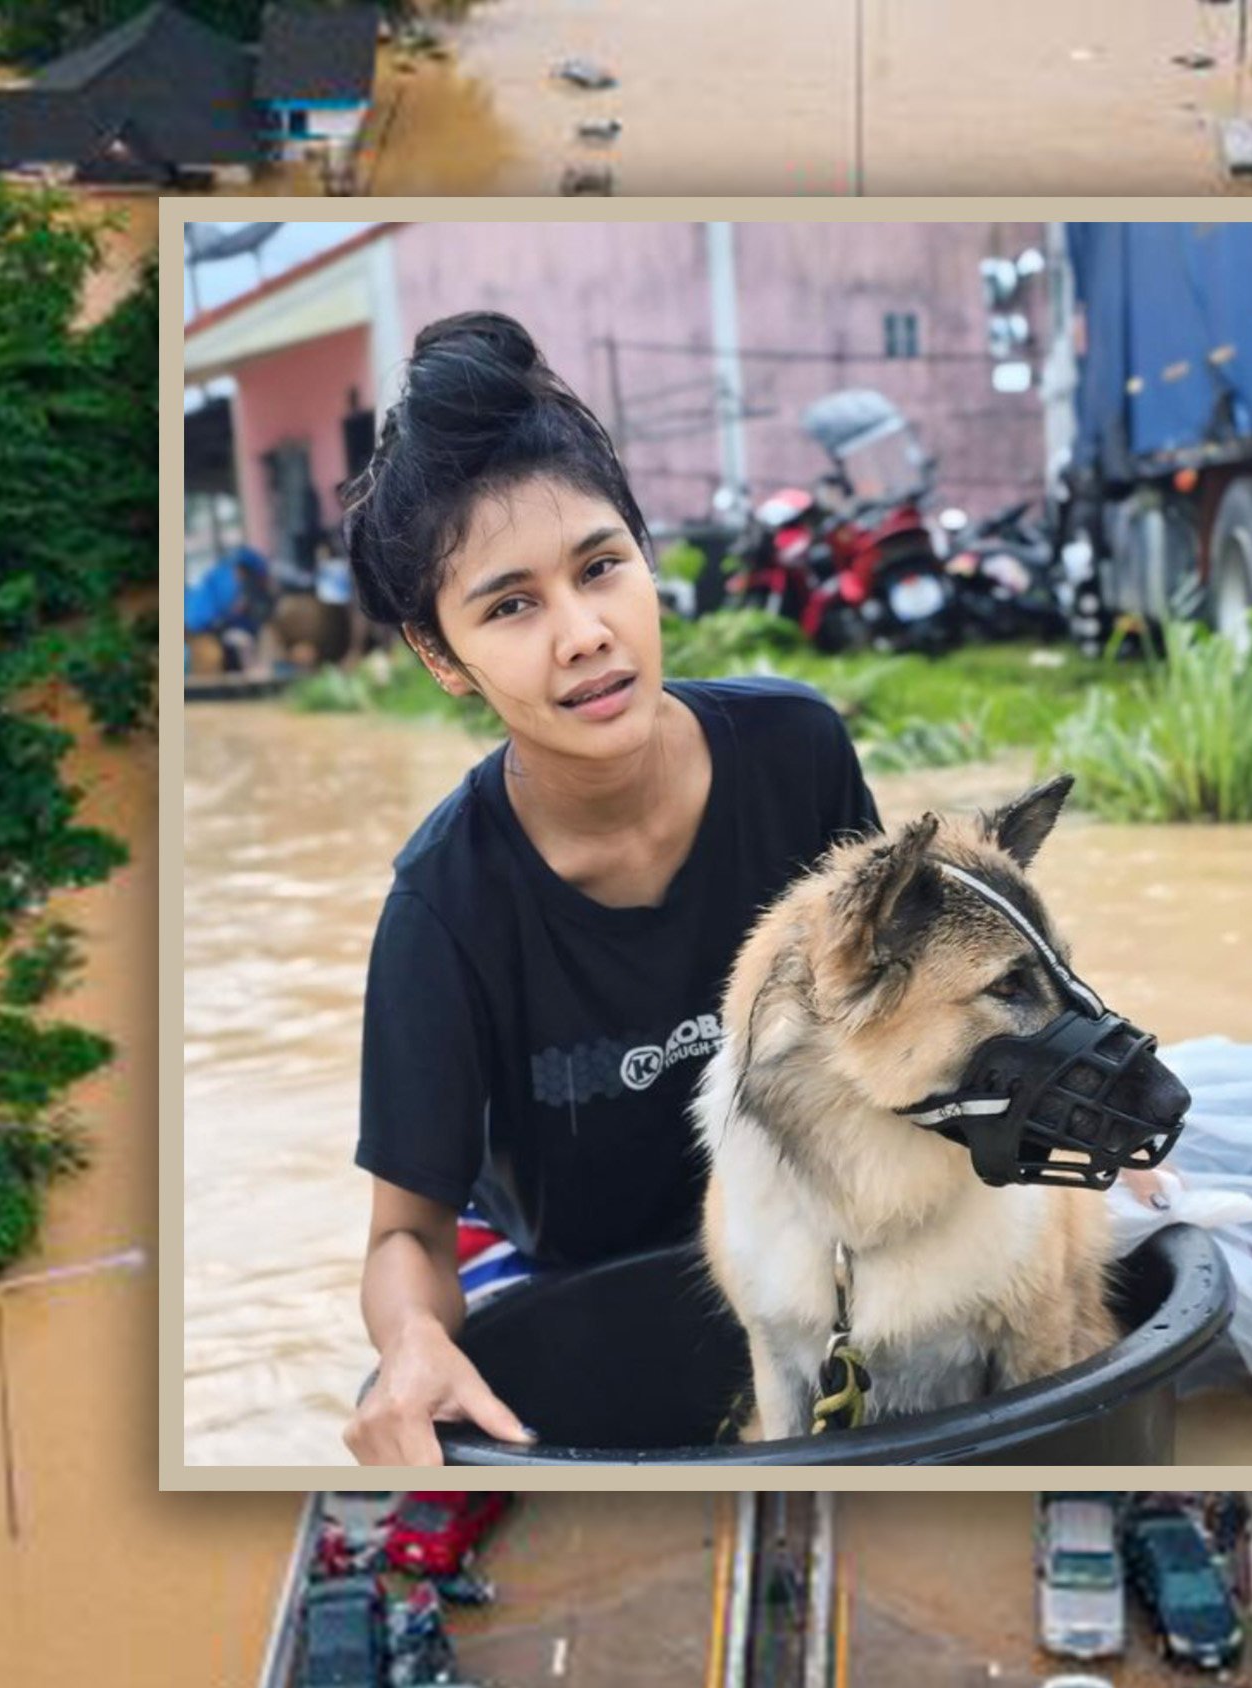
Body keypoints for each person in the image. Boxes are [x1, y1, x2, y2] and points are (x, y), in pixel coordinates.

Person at [340, 311, 881, 1465]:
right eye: (510, 604)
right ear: (442, 656)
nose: (585, 634)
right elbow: (405, 1233)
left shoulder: (796, 754)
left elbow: (896, 1011)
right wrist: (411, 1343)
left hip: (807, 1221)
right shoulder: (445, 908)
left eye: (600, 567)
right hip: (574, 1271)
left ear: (645, 555)